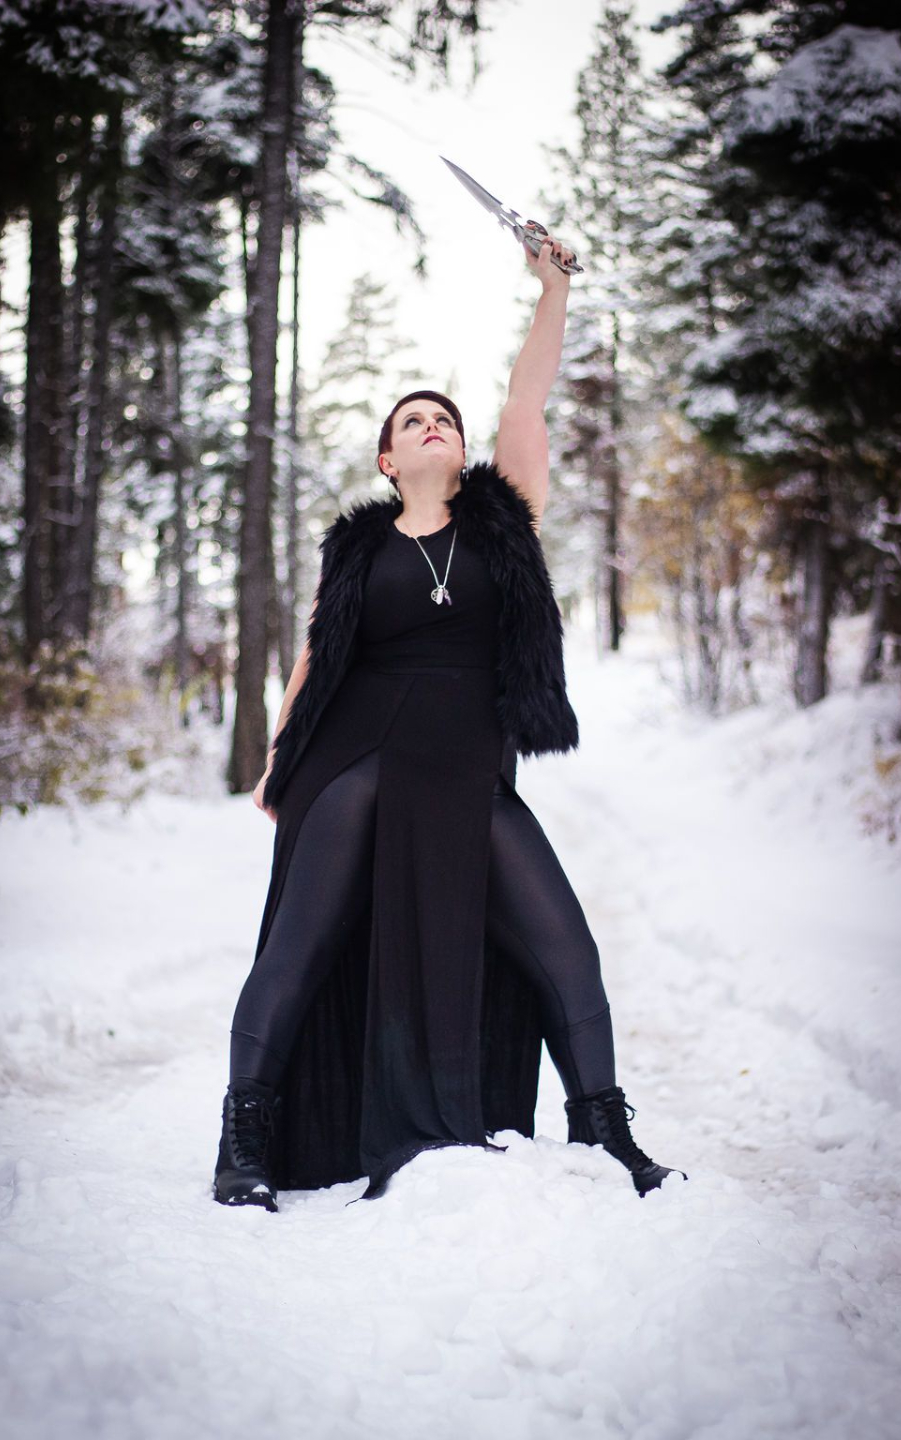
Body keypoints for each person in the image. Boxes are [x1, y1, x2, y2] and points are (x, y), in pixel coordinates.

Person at [213, 231, 687, 1211]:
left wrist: (552, 289)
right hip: (357, 761)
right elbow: (315, 657)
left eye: (444, 419)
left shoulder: (501, 523)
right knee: (299, 947)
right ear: (388, 458)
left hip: (467, 768)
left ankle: (606, 1134)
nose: (432, 426)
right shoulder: (358, 550)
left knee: (566, 948)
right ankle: (243, 1144)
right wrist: (278, 762)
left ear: (461, 451)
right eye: (413, 421)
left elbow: (526, 401)